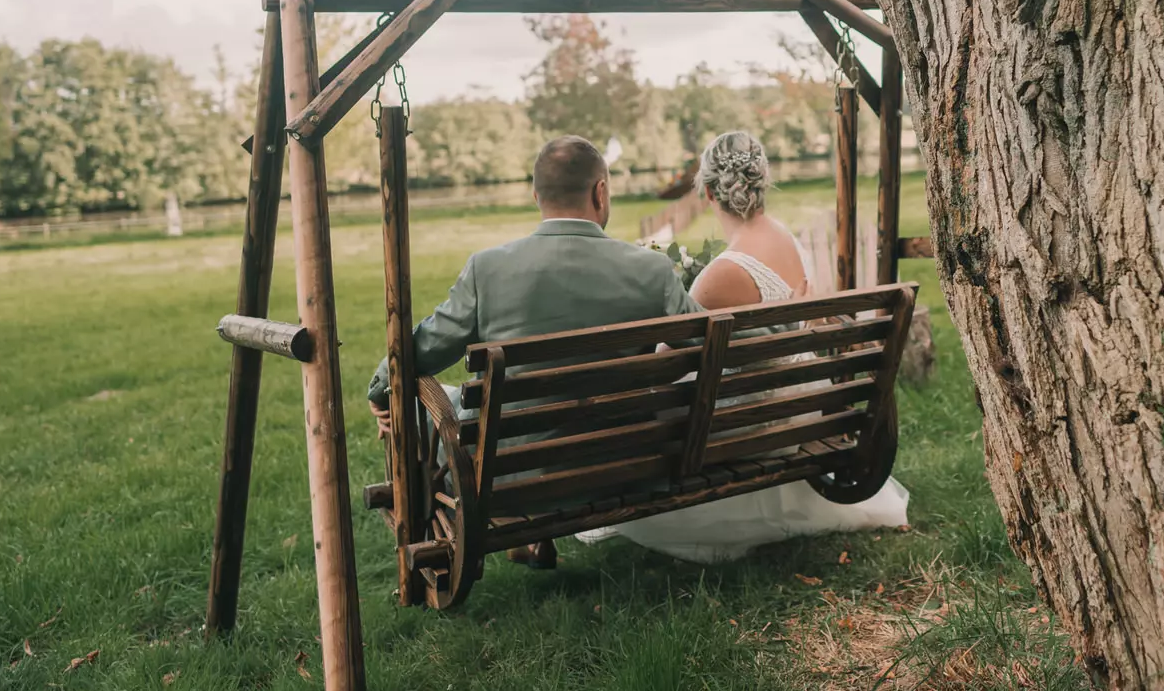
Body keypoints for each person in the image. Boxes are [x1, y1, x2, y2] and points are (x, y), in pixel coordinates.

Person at [367, 134, 700, 567]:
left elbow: (419, 351)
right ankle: (533, 541)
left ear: (536, 195)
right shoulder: (652, 271)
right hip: (623, 464)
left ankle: (521, 535)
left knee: (417, 399)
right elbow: (711, 341)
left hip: (508, 478)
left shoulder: (487, 269)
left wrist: (380, 391)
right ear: (601, 192)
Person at [578, 130, 911, 563]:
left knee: (641, 410)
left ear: (710, 193)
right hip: (801, 406)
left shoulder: (720, 276)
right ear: (760, 181)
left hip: (746, 423)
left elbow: (664, 364)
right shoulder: (785, 238)